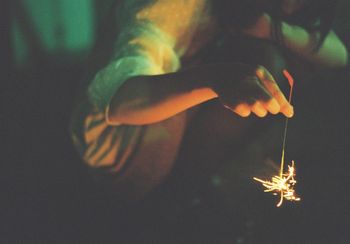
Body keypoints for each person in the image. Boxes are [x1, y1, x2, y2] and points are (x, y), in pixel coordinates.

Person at [70, 0, 348, 202]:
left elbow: (339, 56)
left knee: (268, 60)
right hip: (118, 145)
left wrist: (273, 29)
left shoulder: (265, 11)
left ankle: (188, 190)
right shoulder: (173, 7)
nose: (290, 8)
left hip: (167, 130)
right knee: (263, 63)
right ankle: (169, 201)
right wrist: (213, 80)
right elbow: (119, 102)